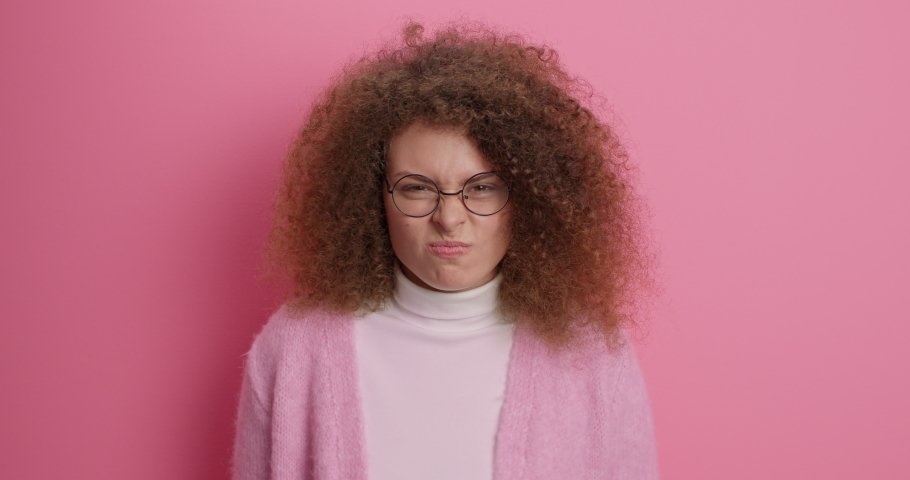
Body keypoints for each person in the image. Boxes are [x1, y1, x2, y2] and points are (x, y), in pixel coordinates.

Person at [232, 22, 658, 480]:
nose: (449, 218)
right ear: (373, 196)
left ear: (532, 197)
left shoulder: (594, 355)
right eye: (417, 188)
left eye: (482, 188)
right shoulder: (295, 350)